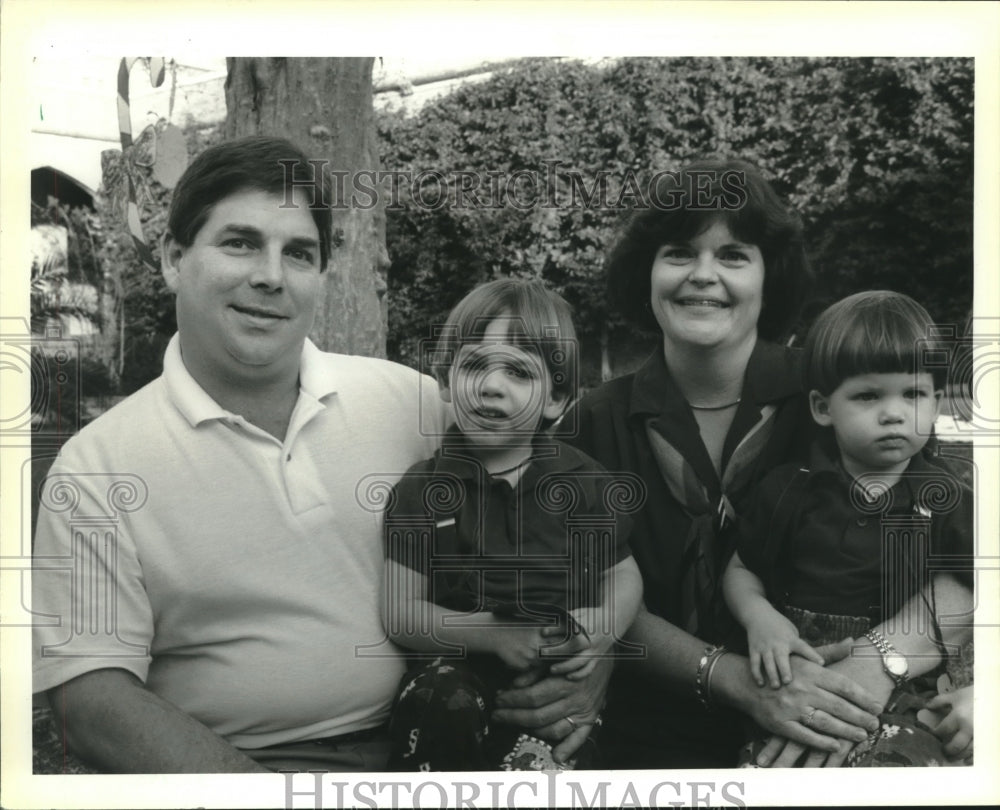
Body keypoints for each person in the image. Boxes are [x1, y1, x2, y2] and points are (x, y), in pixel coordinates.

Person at [31, 137, 601, 773]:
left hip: (447, 742)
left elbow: (565, 513)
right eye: (240, 242)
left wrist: (591, 661)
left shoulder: (410, 403)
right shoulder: (96, 469)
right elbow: (89, 701)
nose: (271, 275)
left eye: (298, 253)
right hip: (243, 770)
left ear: (321, 275)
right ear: (172, 258)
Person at [565, 157, 891, 768]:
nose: (703, 276)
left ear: (771, 279)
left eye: (734, 255)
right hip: (642, 729)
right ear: (647, 274)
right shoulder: (593, 423)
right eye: (680, 253)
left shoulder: (836, 398)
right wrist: (734, 677)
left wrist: (881, 666)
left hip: (823, 716)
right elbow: (595, 588)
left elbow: (953, 557)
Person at [381, 279, 643, 770]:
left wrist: (604, 627)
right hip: (457, 680)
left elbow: (622, 573)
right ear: (445, 380)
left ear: (556, 399)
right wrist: (494, 636)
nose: (491, 385)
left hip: (557, 682)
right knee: (437, 702)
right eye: (474, 365)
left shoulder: (581, 482)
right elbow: (400, 613)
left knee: (567, 757)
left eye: (519, 373)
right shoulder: (421, 490)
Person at [723, 290, 974, 766]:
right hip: (797, 682)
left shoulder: (947, 498)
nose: (894, 412)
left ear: (936, 402)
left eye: (914, 394)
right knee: (766, 772)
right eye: (868, 395)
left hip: (907, 697)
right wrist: (760, 617)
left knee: (893, 775)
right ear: (822, 407)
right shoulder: (789, 489)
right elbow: (741, 568)